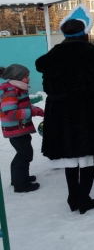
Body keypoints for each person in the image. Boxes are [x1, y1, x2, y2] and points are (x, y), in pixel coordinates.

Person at [35, 4, 94, 214]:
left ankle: (72, 197)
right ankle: (84, 198)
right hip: (82, 111)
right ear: (83, 32)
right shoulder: (87, 52)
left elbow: (47, 87)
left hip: (58, 112)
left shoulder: (53, 55)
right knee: (85, 155)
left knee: (69, 156)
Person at [0, 64, 43, 193]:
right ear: (17, 77)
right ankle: (21, 184)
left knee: (23, 154)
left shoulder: (18, 89)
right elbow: (10, 112)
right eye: (26, 77)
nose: (28, 79)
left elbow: (23, 107)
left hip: (19, 128)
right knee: (24, 154)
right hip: (15, 129)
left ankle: (19, 178)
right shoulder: (11, 91)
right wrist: (32, 112)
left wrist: (39, 111)